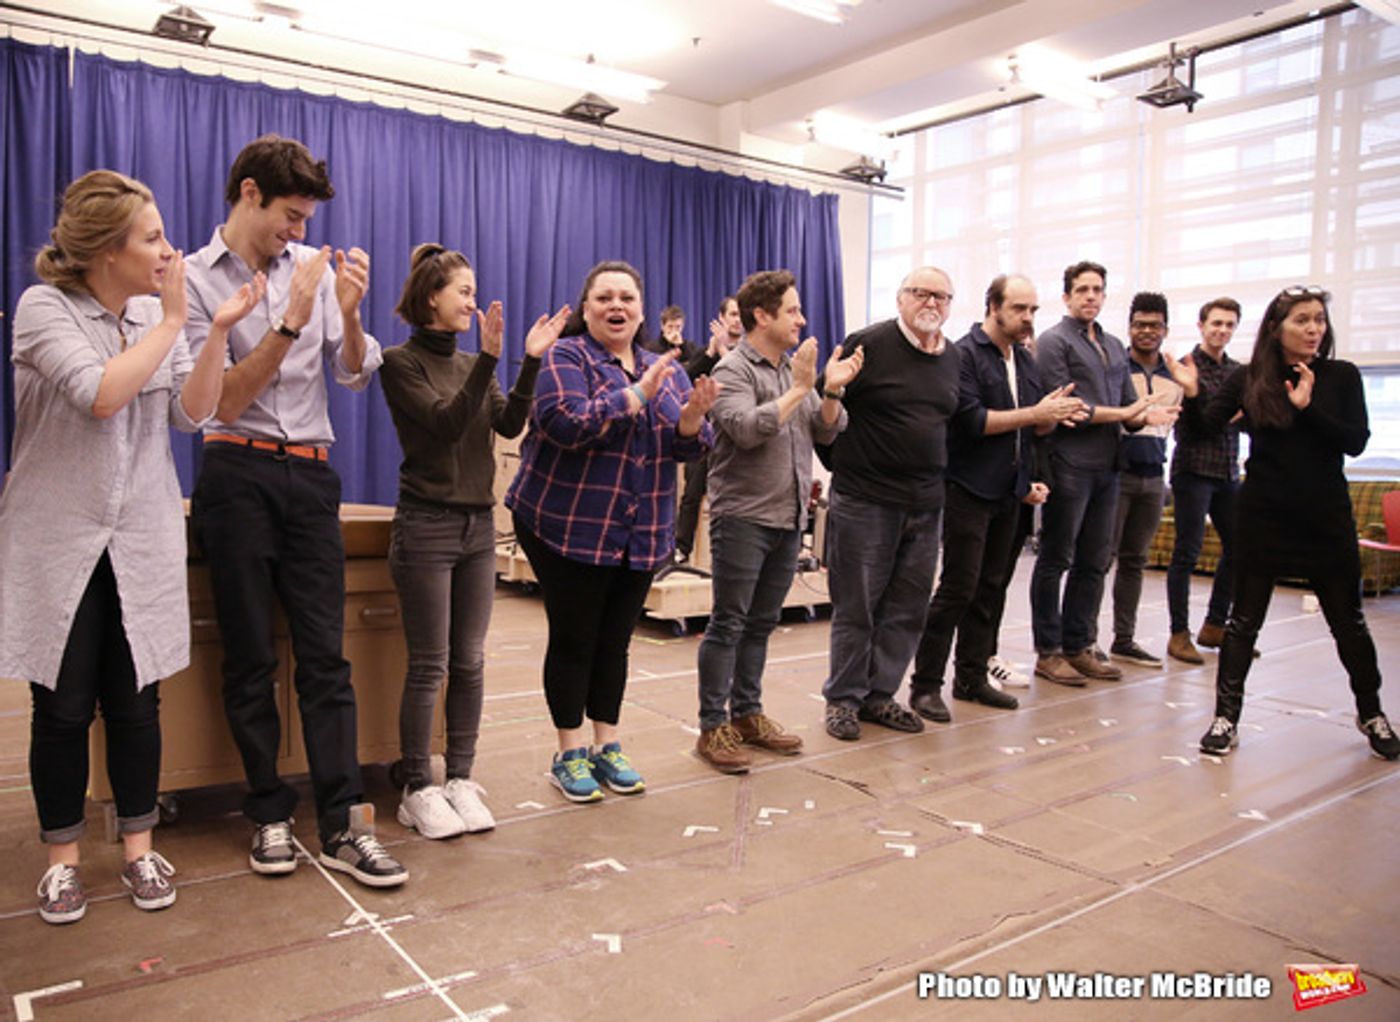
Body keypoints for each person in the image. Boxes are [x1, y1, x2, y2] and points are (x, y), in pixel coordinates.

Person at [0, 170, 263, 923]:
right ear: (105, 249)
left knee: (137, 700)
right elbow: (102, 393)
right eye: (151, 238)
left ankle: (141, 851)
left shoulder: (158, 313)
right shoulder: (44, 307)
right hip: (59, 539)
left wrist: (209, 333)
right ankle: (62, 860)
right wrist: (174, 321)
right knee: (60, 706)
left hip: (140, 537)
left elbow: (192, 413)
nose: (166, 249)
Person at [185, 134, 407, 887]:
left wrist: (343, 314)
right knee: (249, 657)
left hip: (312, 480)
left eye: (307, 219)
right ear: (248, 193)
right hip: (234, 472)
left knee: (325, 659)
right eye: (289, 214)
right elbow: (218, 402)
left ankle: (344, 821)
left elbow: (352, 374)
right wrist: (287, 323)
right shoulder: (190, 282)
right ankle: (269, 814)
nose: (299, 232)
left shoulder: (311, 273)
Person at [505, 261, 717, 801]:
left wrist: (692, 420)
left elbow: (685, 446)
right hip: (566, 523)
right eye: (604, 298)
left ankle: (608, 744)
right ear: (586, 307)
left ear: (642, 310)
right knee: (576, 638)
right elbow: (567, 424)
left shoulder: (658, 364)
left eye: (626, 297)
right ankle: (569, 752)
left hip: (639, 529)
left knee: (615, 643)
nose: (616, 306)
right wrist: (636, 396)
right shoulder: (566, 356)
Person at [380, 244, 569, 837]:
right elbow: (442, 423)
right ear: (431, 296)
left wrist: (529, 362)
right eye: (463, 291)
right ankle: (418, 785)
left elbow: (508, 423)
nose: (472, 301)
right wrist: (489, 360)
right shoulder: (399, 361)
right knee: (430, 664)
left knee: (470, 661)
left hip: (476, 528)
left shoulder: (470, 364)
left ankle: (460, 776)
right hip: (427, 527)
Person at [1166, 286, 1399, 761]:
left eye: (1319, 320)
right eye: (1302, 320)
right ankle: (1225, 717)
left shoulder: (1341, 376)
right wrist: (1191, 395)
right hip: (1264, 516)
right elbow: (1203, 429)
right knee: (1243, 622)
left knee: (1349, 623)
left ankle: (1371, 711)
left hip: (1325, 518)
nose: (1314, 329)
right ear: (1276, 328)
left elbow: (1355, 442)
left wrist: (1307, 410)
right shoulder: (1250, 378)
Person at [694, 270, 860, 772]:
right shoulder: (732, 369)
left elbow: (828, 433)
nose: (802, 319)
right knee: (728, 623)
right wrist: (801, 388)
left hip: (788, 516)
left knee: (761, 624)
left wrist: (830, 392)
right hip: (743, 516)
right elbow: (747, 429)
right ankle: (711, 727)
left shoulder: (794, 369)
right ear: (761, 316)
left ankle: (746, 714)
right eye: (792, 310)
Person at [908, 275, 1085, 723]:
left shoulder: (1024, 360)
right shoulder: (964, 355)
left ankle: (971, 677)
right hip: (967, 487)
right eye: (1019, 309)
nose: (1028, 318)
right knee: (958, 588)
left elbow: (1030, 427)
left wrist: (1051, 420)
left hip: (1009, 491)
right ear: (993, 306)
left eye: (1033, 310)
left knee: (991, 589)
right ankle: (926, 685)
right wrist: (1037, 414)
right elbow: (972, 421)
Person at [821, 267, 962, 741]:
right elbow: (830, 416)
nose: (932, 303)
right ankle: (843, 699)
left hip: (925, 505)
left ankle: (879, 695)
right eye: (922, 293)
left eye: (942, 297)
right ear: (901, 298)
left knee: (906, 608)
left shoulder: (952, 357)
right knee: (856, 606)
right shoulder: (869, 344)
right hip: (865, 501)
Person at [1030, 261, 1178, 687]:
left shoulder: (1114, 345)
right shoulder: (1053, 342)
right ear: (1067, 297)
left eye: (1097, 290)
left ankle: (1079, 646)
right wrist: (1127, 412)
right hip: (1069, 465)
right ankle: (1049, 651)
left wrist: (1149, 415)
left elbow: (1128, 412)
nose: (1090, 296)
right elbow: (1068, 410)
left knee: (1095, 561)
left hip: (1110, 468)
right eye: (1082, 290)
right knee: (1056, 558)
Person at [1102, 292, 1181, 668]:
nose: (1147, 331)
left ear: (1165, 329)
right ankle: (1083, 640)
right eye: (1139, 325)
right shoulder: (1116, 368)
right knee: (1100, 559)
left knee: (1135, 562)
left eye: (1154, 325)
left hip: (1154, 476)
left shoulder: (1174, 375)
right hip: (1118, 475)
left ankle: (1124, 639)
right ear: (1130, 328)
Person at [1166, 298, 1244, 664]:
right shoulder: (1185, 367)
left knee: (1239, 547)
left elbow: (1246, 418)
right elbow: (1190, 425)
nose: (1222, 330)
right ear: (1201, 325)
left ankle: (1215, 624)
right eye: (1216, 323)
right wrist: (1214, 406)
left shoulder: (1238, 372)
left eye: (1229, 325)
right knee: (1187, 551)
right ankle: (1178, 634)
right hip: (1193, 470)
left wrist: (1224, 412)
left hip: (1228, 470)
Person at [673, 296, 743, 565]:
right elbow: (687, 378)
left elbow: (740, 379)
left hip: (735, 437)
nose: (737, 319)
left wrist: (725, 352)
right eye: (732, 314)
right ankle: (681, 550)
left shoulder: (748, 354)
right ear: (721, 319)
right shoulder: (709, 351)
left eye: (740, 315)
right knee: (691, 495)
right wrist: (712, 353)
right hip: (706, 433)